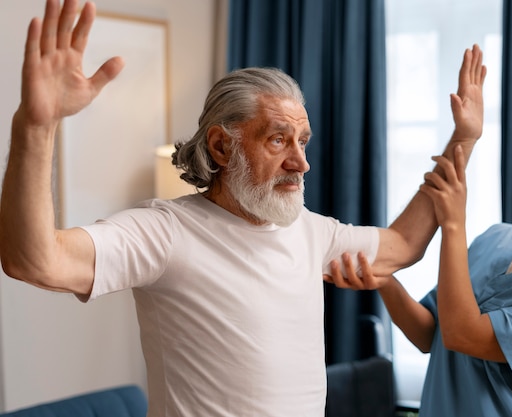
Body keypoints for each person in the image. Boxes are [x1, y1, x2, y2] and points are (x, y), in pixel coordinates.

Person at [0, 0, 486, 416]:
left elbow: (402, 246)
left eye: (303, 141)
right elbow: (35, 261)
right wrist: (36, 127)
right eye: (278, 140)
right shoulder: (165, 232)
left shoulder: (311, 232)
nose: (301, 162)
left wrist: (462, 139)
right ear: (220, 146)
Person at [326, 138, 512, 416]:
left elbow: (462, 335)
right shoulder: (496, 238)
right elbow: (431, 335)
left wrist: (453, 225)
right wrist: (386, 281)